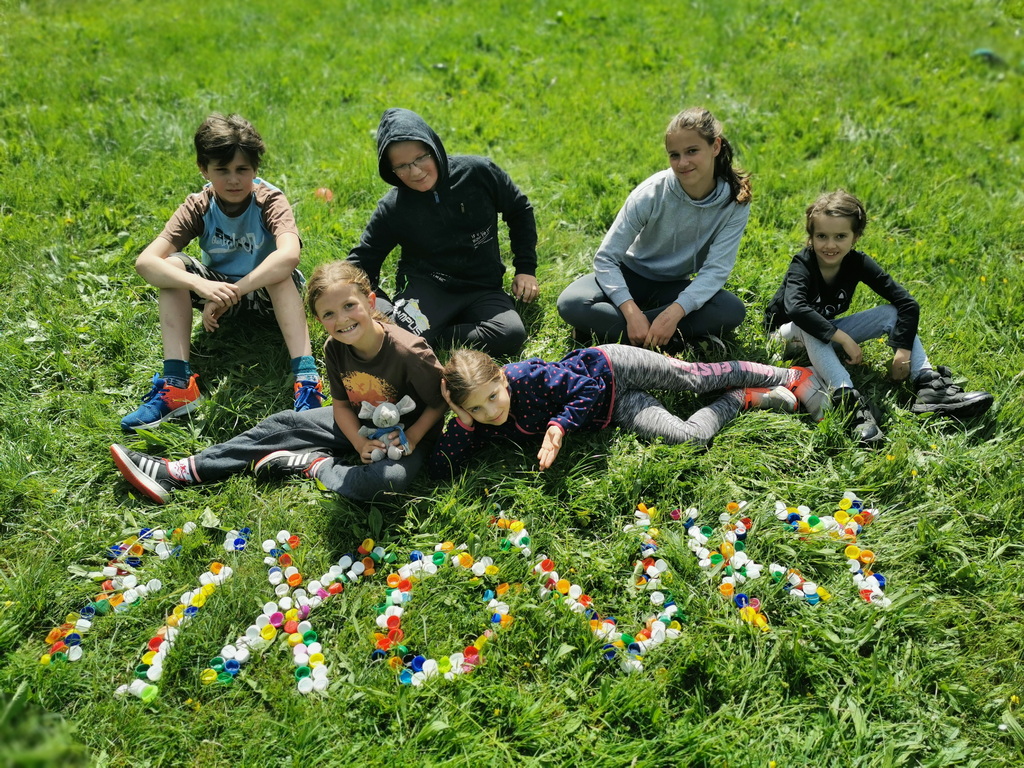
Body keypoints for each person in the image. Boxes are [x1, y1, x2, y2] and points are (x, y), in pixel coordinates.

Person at [111, 262, 446, 504]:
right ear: (319, 320)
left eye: (349, 306)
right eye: (329, 314)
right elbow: (342, 405)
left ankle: (315, 465)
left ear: (370, 303)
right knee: (283, 424)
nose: (342, 319)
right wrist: (359, 444)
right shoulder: (334, 348)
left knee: (388, 482)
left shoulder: (408, 351)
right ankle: (181, 471)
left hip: (408, 435)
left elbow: (441, 400)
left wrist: (413, 438)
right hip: (359, 420)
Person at [120, 113, 323, 432]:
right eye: (222, 170)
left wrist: (234, 292)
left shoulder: (269, 200)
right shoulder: (199, 205)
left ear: (255, 169)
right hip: (216, 291)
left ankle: (307, 380)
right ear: (204, 169)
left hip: (267, 296)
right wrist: (199, 284)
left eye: (242, 169)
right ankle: (177, 386)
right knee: (171, 267)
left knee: (280, 273)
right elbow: (146, 262)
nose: (233, 180)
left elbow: (289, 255)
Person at [764, 189, 993, 445]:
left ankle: (928, 386)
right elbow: (797, 310)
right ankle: (846, 399)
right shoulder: (803, 263)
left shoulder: (857, 262)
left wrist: (903, 351)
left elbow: (907, 304)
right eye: (821, 236)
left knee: (890, 312)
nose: (830, 245)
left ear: (855, 237)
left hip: (825, 337)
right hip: (784, 338)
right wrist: (845, 339)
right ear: (811, 236)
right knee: (810, 324)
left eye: (840, 236)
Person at [428, 346, 825, 478]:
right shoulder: (477, 421)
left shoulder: (525, 377)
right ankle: (743, 398)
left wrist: (559, 425)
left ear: (501, 377)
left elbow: (587, 386)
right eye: (476, 407)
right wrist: (463, 421)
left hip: (611, 367)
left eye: (493, 396)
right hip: (614, 407)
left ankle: (792, 375)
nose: (491, 411)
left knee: (694, 378)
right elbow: (440, 467)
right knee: (688, 438)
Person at [346, 108, 539, 357]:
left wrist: (525, 268)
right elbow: (360, 264)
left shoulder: (479, 172)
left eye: (420, 158)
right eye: (402, 166)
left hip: (481, 285)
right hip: (427, 285)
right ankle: (414, 333)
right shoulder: (394, 207)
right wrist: (379, 308)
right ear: (390, 170)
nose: (415, 172)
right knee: (397, 343)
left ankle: (432, 336)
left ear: (434, 147)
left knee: (510, 334)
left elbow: (519, 209)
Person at [557, 107, 750, 351]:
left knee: (731, 309)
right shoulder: (651, 193)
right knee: (572, 303)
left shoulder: (735, 200)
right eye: (674, 155)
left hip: (674, 286)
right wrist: (631, 312)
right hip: (630, 274)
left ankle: (611, 333)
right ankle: (667, 340)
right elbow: (606, 259)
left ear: (715, 146)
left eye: (692, 151)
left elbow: (716, 270)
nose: (682, 163)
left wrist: (673, 314)